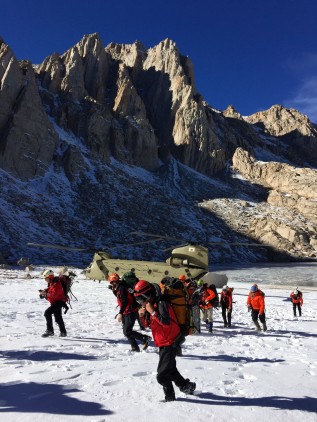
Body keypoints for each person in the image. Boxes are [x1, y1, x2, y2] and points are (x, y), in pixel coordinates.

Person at [134, 279, 196, 402]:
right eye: (137, 300)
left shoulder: (161, 303)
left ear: (147, 294)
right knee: (171, 370)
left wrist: (152, 312)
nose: (140, 302)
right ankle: (186, 386)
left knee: (162, 375)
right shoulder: (152, 304)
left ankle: (170, 399)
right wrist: (143, 316)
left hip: (170, 342)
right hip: (163, 342)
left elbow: (166, 322)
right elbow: (148, 325)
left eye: (140, 299)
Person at [108, 273, 150, 352]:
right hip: (127, 311)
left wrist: (120, 313)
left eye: (113, 282)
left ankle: (144, 338)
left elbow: (124, 301)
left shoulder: (122, 288)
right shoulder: (120, 287)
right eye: (111, 282)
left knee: (127, 331)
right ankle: (135, 347)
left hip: (130, 311)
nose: (113, 283)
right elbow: (120, 297)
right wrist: (114, 290)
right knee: (127, 331)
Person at [39, 269, 67, 337]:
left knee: (47, 313)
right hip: (57, 302)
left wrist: (45, 294)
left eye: (46, 278)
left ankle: (50, 331)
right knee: (58, 318)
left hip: (58, 302)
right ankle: (63, 332)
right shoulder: (53, 283)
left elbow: (54, 295)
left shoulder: (56, 284)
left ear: (50, 277)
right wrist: (44, 291)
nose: (45, 280)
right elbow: (50, 289)